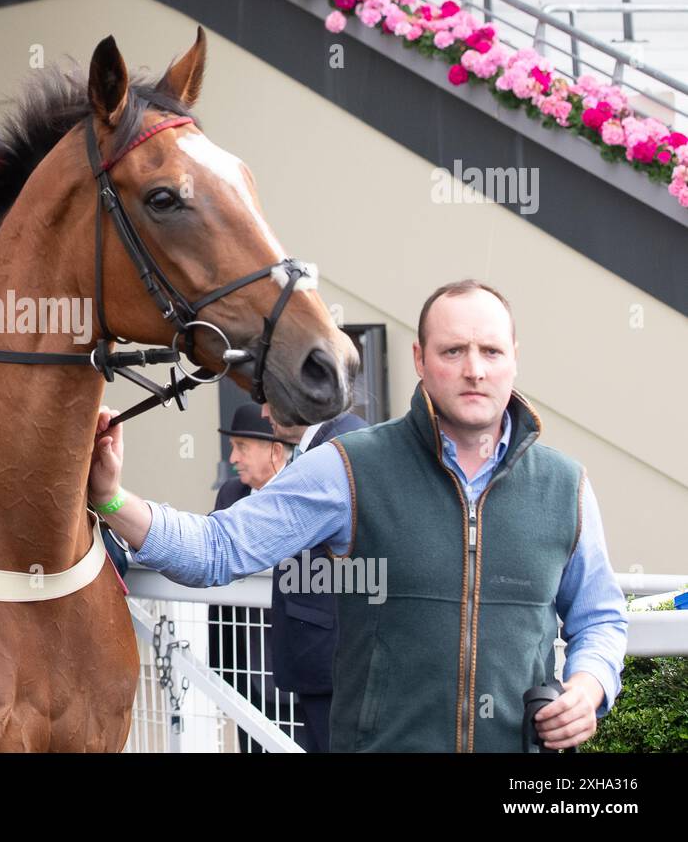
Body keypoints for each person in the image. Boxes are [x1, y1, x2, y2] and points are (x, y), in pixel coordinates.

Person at [92, 280, 628, 751]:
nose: (473, 370)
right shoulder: (349, 467)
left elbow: (600, 617)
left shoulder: (566, 486)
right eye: (453, 350)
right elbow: (217, 550)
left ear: (514, 357)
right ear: (420, 358)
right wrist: (112, 498)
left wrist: (589, 687)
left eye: (490, 351)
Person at [259, 399, 368, 752]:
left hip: (334, 661)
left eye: (268, 399)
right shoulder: (335, 442)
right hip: (330, 659)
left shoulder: (338, 449)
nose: (264, 412)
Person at [206, 404, 294, 752]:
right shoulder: (230, 494)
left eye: (242, 446)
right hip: (239, 662)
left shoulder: (302, 493)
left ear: (275, 451)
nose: (232, 457)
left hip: (288, 667)